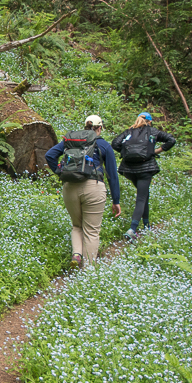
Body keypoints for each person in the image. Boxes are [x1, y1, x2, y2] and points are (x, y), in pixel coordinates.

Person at [45, 115, 121, 268]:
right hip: (94, 187)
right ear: (99, 128)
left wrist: (60, 172)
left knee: (76, 225)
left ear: (85, 127)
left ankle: (77, 254)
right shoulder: (104, 145)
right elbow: (112, 175)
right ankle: (88, 270)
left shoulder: (72, 141)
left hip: (70, 187)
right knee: (91, 231)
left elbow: (50, 155)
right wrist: (116, 200)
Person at [111, 111, 176, 241]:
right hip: (145, 169)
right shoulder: (152, 131)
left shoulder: (128, 132)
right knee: (141, 197)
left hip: (129, 169)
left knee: (144, 193)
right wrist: (157, 150)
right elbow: (171, 139)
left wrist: (126, 152)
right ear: (150, 121)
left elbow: (115, 144)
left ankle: (146, 225)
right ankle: (132, 229)